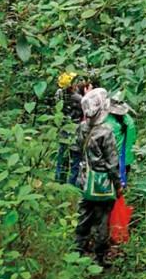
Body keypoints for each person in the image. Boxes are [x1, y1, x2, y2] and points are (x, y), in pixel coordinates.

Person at [75, 87, 124, 268]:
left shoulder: (81, 128)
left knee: (84, 214)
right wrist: (118, 184)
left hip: (85, 177)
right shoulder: (105, 132)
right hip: (102, 182)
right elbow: (112, 163)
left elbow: (77, 150)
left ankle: (77, 250)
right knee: (102, 218)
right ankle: (99, 257)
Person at [55, 72, 84, 185]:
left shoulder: (58, 94)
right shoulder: (77, 98)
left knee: (62, 157)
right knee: (75, 159)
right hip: (74, 129)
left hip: (63, 128)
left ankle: (59, 181)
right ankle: (71, 184)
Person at [106, 99, 137, 187]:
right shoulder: (129, 120)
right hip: (126, 161)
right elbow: (133, 139)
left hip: (112, 162)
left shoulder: (108, 122)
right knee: (120, 188)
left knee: (109, 189)